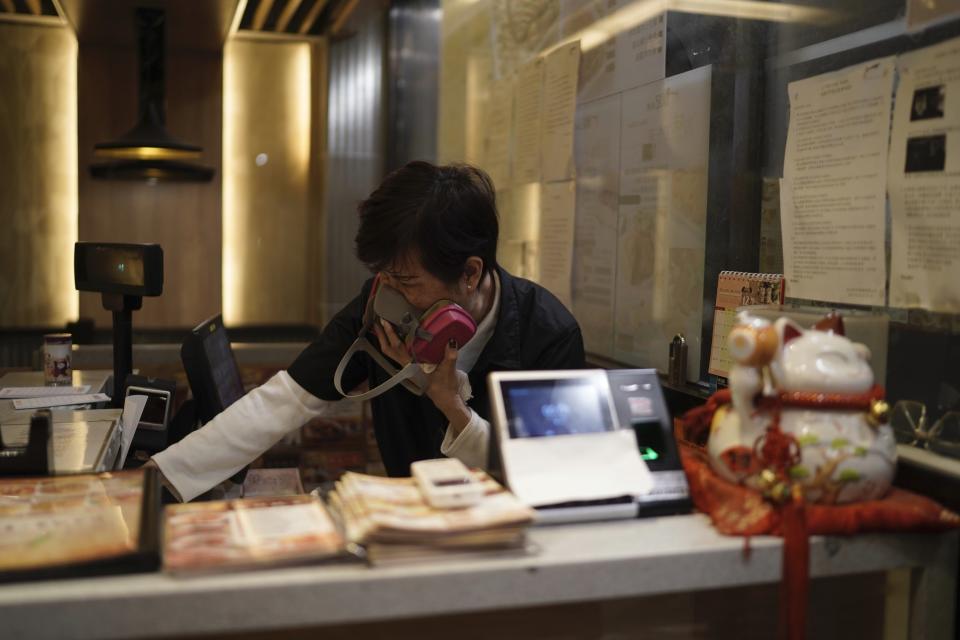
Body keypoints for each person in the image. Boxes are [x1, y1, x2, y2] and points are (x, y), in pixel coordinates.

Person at [152, 161, 585, 501]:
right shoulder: (382, 304)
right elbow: (289, 397)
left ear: (470, 273)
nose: (389, 294)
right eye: (384, 277)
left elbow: (544, 475)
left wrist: (453, 407)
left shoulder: (547, 334)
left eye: (407, 281)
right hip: (410, 531)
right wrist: (159, 477)